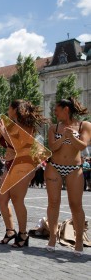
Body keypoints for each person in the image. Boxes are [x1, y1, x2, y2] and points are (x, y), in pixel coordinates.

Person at [0, 100, 46, 248]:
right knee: (1, 199)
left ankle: (23, 234)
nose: (7, 110)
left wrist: (4, 132)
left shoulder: (26, 126)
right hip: (9, 164)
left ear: (15, 109)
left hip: (23, 164)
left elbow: (19, 145)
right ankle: (10, 231)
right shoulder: (9, 124)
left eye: (9, 107)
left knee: (17, 200)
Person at [45, 97, 90, 256]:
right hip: (54, 167)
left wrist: (72, 137)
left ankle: (78, 240)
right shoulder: (54, 127)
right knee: (53, 202)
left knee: (76, 204)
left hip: (74, 168)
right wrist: (63, 137)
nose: (55, 113)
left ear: (66, 110)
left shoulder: (85, 125)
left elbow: (83, 145)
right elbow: (53, 147)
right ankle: (52, 237)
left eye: (57, 110)